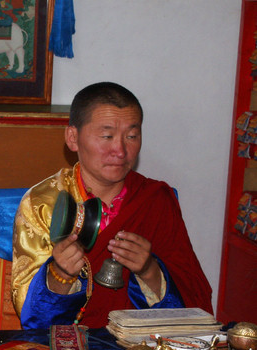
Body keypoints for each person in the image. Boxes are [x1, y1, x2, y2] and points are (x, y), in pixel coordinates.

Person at [12, 82, 213, 330]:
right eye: (106, 136)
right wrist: (60, 274)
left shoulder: (155, 199)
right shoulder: (44, 203)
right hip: (68, 348)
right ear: (73, 138)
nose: (120, 150)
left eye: (131, 136)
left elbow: (195, 300)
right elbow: (30, 316)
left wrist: (150, 270)